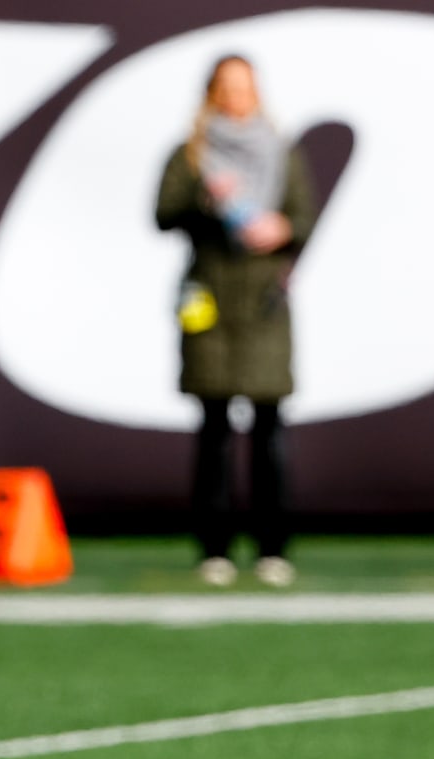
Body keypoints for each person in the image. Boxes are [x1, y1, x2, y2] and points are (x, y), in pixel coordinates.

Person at [155, 54, 318, 588]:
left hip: (264, 301)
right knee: (214, 428)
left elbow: (304, 218)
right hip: (212, 298)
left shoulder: (280, 151)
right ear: (211, 94)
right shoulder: (193, 154)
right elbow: (163, 214)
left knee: (270, 428)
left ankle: (274, 547)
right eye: (226, 88)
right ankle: (215, 547)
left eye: (244, 88)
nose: (236, 97)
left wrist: (280, 229)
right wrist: (207, 203)